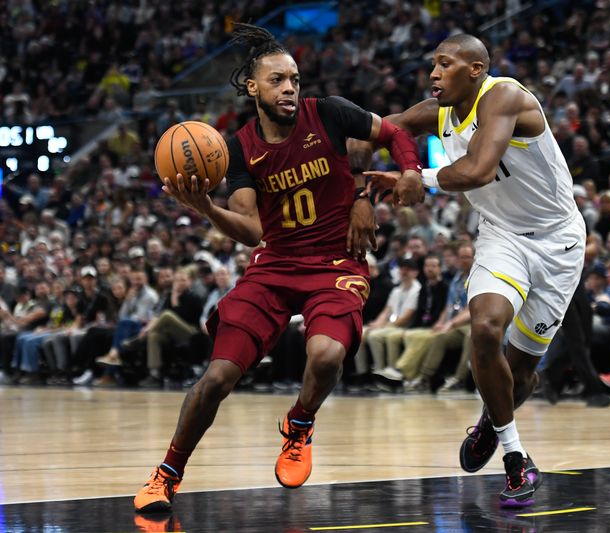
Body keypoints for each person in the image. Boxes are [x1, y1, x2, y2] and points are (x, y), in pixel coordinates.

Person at [134, 23, 423, 513]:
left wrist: (410, 170)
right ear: (252, 88)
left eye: (293, 79)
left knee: (328, 355)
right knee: (218, 378)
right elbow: (250, 230)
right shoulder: (239, 147)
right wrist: (205, 206)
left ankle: (301, 422)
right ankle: (167, 472)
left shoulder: (328, 112)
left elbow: (392, 132)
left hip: (336, 263)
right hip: (274, 265)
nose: (289, 88)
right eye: (277, 81)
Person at [363, 34, 585, 507]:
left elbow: (480, 169)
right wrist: (341, 168)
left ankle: (491, 420)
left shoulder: (504, 95)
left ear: (476, 70)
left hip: (558, 243)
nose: (434, 73)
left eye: (445, 64)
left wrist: (415, 177)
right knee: (484, 329)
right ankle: (515, 458)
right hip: (501, 236)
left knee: (521, 372)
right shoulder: (436, 110)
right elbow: (385, 129)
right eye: (433, 64)